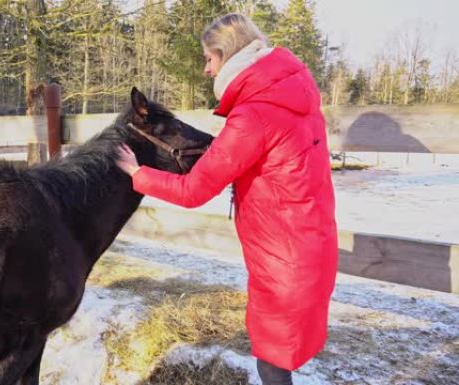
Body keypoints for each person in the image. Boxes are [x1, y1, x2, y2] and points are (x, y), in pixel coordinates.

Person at [116, 13, 338, 385]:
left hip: (281, 255)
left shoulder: (254, 114)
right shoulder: (295, 97)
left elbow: (193, 191)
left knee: (271, 361)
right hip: (310, 242)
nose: (206, 70)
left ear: (225, 54)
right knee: (280, 353)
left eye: (209, 59)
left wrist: (137, 174)